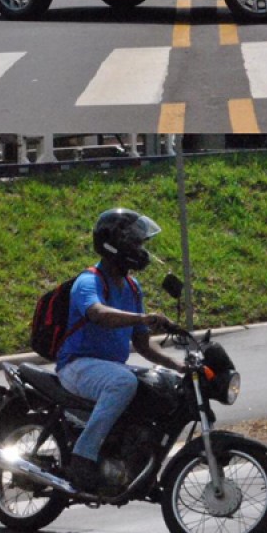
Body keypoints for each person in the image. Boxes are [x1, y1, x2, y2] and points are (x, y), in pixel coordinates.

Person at [56, 209, 183, 493]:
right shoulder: (89, 281)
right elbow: (98, 313)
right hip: (77, 365)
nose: (140, 250)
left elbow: (141, 345)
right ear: (114, 244)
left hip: (108, 367)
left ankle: (133, 458)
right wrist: (142, 318)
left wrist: (175, 365)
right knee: (123, 382)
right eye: (135, 243)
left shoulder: (132, 287)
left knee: (162, 385)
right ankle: (83, 457)